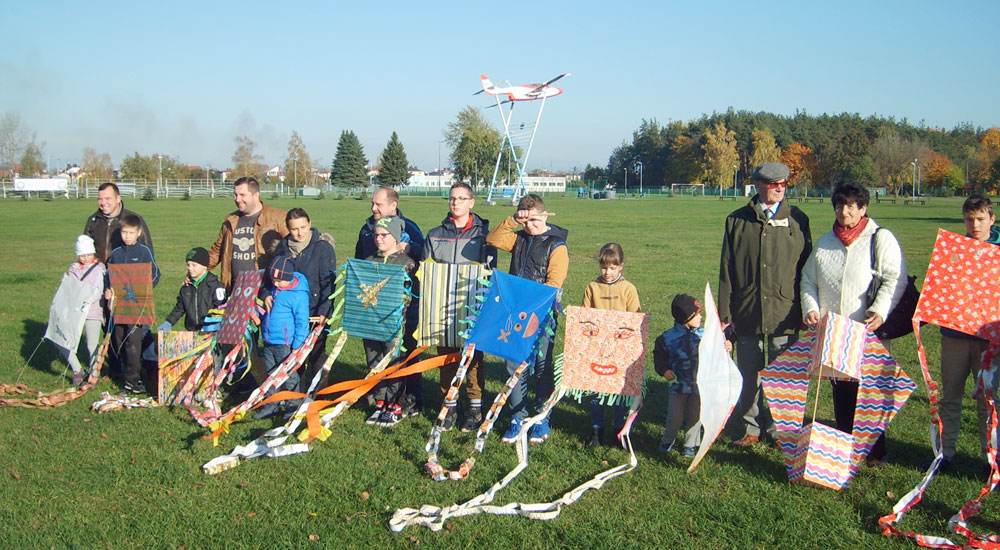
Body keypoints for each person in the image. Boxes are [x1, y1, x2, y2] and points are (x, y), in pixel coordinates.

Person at [800, 181, 907, 467]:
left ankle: (875, 453)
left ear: (863, 208)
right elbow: (808, 280)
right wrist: (810, 308)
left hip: (868, 329)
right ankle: (846, 446)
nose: (844, 211)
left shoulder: (879, 238)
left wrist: (881, 311)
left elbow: (895, 277)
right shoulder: (825, 243)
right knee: (843, 394)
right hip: (835, 333)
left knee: (870, 392)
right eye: (839, 205)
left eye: (850, 205)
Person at [719, 162, 812, 447]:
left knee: (785, 379)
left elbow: (808, 270)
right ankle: (751, 429)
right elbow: (726, 270)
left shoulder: (799, 220)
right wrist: (725, 316)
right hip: (747, 312)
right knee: (749, 377)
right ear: (758, 184)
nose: (780, 188)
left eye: (784, 183)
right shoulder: (736, 221)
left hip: (786, 312)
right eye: (774, 184)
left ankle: (781, 431)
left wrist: (807, 309)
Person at [486, 193, 568, 444]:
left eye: (534, 220)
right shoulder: (519, 239)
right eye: (525, 221)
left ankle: (542, 416)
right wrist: (512, 219)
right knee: (514, 364)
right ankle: (517, 416)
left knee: (542, 366)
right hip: (515, 313)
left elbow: (554, 283)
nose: (529, 225)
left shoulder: (557, 245)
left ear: (544, 215)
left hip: (541, 314)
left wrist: (533, 304)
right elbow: (493, 239)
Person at [934, 194, 1000, 472]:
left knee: (988, 401)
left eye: (980, 219)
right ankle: (945, 453)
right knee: (950, 396)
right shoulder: (953, 250)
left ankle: (991, 456)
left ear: (992, 219)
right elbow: (938, 290)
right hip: (954, 336)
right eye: (969, 219)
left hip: (989, 341)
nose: (975, 224)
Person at [424, 183, 496, 431]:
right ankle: (450, 406)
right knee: (446, 357)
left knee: (473, 358)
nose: (456, 203)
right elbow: (427, 270)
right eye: (453, 198)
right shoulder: (434, 234)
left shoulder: (484, 236)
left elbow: (490, 271)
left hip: (472, 305)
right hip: (442, 305)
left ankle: (475, 408)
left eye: (462, 198)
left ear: (471, 202)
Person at [355, 187, 424, 411]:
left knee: (404, 353)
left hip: (402, 307)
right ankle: (380, 396)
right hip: (374, 306)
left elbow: (424, 256)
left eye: (379, 204)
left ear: (393, 205)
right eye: (372, 204)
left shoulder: (410, 228)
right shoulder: (366, 229)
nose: (373, 208)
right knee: (375, 351)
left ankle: (409, 397)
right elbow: (360, 263)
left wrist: (411, 248)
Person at [581, 243, 641, 446]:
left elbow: (635, 319)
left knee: (619, 390)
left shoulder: (628, 289)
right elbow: (585, 316)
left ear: (621, 266)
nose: (607, 272)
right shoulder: (592, 287)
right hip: (597, 349)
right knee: (595, 390)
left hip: (620, 349)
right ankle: (596, 429)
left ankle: (619, 429)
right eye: (604, 267)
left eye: (612, 268)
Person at [363, 216, 420, 427]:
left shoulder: (407, 263)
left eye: (384, 235)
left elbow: (410, 294)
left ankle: (395, 404)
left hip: (395, 324)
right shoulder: (369, 262)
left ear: (395, 237)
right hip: (372, 323)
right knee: (374, 360)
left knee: (394, 362)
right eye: (376, 235)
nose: (379, 239)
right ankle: (380, 402)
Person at [274, 208, 336, 390]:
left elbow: (329, 282)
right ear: (288, 229)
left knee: (317, 354)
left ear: (309, 224)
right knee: (294, 354)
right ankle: (295, 394)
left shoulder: (322, 248)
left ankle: (318, 394)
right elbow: (274, 277)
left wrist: (325, 310)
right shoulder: (282, 249)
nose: (300, 233)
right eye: (294, 229)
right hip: (289, 312)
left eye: (303, 227)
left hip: (315, 311)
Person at [105, 214, 160, 394]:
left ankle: (133, 381)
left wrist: (144, 287)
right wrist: (108, 290)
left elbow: (155, 274)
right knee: (118, 341)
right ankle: (124, 373)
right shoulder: (116, 254)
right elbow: (109, 276)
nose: (127, 236)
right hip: (119, 307)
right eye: (124, 232)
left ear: (138, 233)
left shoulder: (144, 252)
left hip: (137, 308)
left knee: (133, 343)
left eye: (131, 233)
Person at [252, 255, 310, 421]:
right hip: (269, 340)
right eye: (273, 280)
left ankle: (293, 406)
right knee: (270, 374)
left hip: (286, 344)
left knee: (289, 375)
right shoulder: (275, 289)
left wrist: (297, 346)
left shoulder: (298, 295)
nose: (275, 284)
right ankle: (272, 404)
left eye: (278, 281)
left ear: (289, 277)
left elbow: (302, 322)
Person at [207, 176, 288, 291]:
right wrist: (197, 268)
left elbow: (292, 251)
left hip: (266, 288)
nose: (237, 199)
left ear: (256, 195)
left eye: (242, 195)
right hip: (235, 290)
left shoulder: (278, 218)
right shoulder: (230, 221)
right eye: (235, 195)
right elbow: (217, 251)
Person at [655, 294, 705, 456]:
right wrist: (664, 370)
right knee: (674, 418)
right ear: (686, 318)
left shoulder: (705, 336)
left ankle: (690, 444)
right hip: (678, 387)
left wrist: (727, 342)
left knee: (695, 417)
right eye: (697, 314)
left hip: (699, 386)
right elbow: (659, 358)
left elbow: (720, 347)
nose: (700, 317)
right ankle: (668, 441)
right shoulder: (667, 338)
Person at [60, 235, 106, 387]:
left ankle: (94, 373)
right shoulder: (74, 268)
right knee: (65, 340)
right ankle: (77, 369)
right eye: (82, 255)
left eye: (88, 254)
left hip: (92, 310)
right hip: (75, 310)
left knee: (92, 343)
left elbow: (98, 290)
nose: (85, 258)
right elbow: (71, 288)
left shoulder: (99, 269)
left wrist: (86, 302)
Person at [158, 247, 226, 332]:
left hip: (211, 332)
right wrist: (169, 322)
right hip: (191, 331)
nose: (190, 268)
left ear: (204, 266)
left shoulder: (215, 286)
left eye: (194, 265)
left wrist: (211, 326)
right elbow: (180, 308)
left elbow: (220, 308)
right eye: (188, 265)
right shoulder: (186, 288)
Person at [84, 182, 153, 263]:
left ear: (118, 198)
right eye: (100, 199)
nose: (103, 203)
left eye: (107, 198)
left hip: (123, 273)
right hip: (99, 273)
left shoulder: (134, 219)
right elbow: (84, 249)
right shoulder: (93, 220)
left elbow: (148, 252)